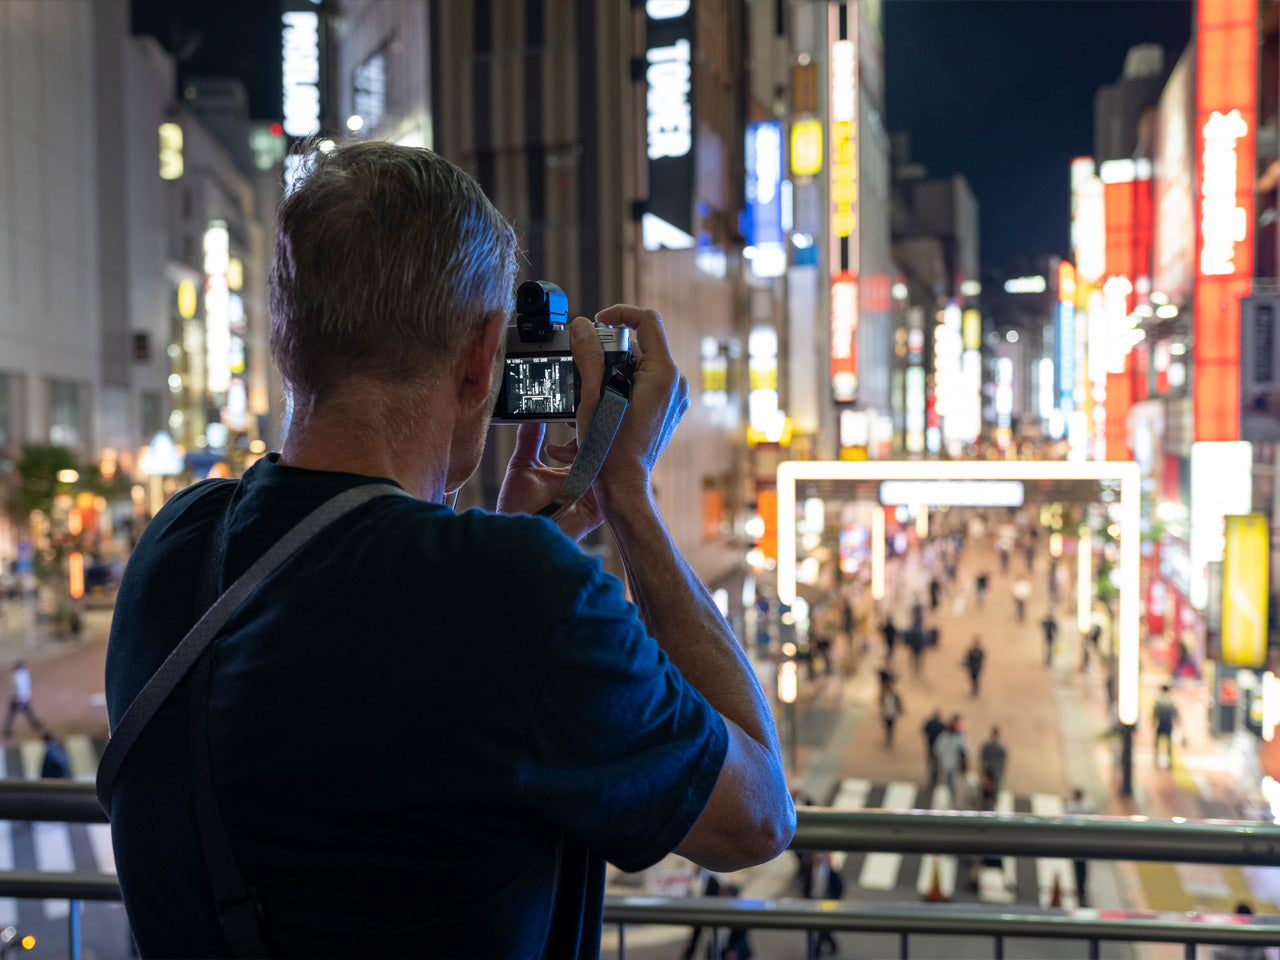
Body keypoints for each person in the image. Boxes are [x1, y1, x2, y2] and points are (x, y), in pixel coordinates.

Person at [102, 141, 794, 958]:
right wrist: (628, 497)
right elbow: (757, 817)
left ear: (289, 338)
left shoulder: (175, 547)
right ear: (479, 359)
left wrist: (509, 550)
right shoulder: (517, 595)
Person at [1063, 788, 1096, 907]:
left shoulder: (1069, 806)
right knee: (1083, 867)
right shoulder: (1088, 807)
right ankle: (1082, 889)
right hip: (1085, 842)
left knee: (1077, 866)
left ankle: (1079, 888)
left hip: (1074, 842)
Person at [681, 868, 721, 960]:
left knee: (709, 940)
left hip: (708, 915)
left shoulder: (711, 880)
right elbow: (690, 895)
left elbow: (715, 897)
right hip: (697, 915)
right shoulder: (694, 879)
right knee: (695, 938)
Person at [933, 715, 968, 803]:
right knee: (948, 782)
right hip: (946, 764)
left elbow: (964, 751)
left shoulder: (958, 738)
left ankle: (952, 797)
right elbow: (938, 750)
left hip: (954, 764)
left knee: (954, 783)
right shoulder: (943, 737)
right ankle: (950, 797)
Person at [2, 660, 40, 739]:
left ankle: (34, 724)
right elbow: (17, 688)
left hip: (24, 698)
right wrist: (19, 700)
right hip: (18, 700)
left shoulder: (24, 674)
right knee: (12, 715)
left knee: (28, 712)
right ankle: (7, 731)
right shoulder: (17, 676)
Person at [979, 727, 1007, 808]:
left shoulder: (989, 746)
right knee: (990, 796)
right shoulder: (999, 747)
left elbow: (981, 760)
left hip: (990, 775)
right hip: (991, 775)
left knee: (987, 796)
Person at [1154, 684, 1179, 768]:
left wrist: (1153, 722)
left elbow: (1155, 711)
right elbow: (1175, 713)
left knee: (1157, 742)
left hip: (1160, 724)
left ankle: (1156, 759)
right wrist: (1177, 723)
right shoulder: (1171, 701)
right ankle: (1169, 760)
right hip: (1168, 724)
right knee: (1169, 743)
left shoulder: (1158, 700)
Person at [922, 710, 946, 788]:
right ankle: (935, 778)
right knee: (936, 763)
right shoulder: (941, 725)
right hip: (939, 746)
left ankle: (932, 779)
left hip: (931, 745)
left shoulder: (930, 723)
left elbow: (924, 730)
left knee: (930, 763)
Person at [879, 680, 903, 748]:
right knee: (886, 728)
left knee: (891, 728)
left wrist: (900, 711)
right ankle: (887, 738)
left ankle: (889, 738)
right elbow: (881, 703)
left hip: (892, 715)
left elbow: (899, 704)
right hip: (886, 714)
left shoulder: (895, 696)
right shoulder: (884, 695)